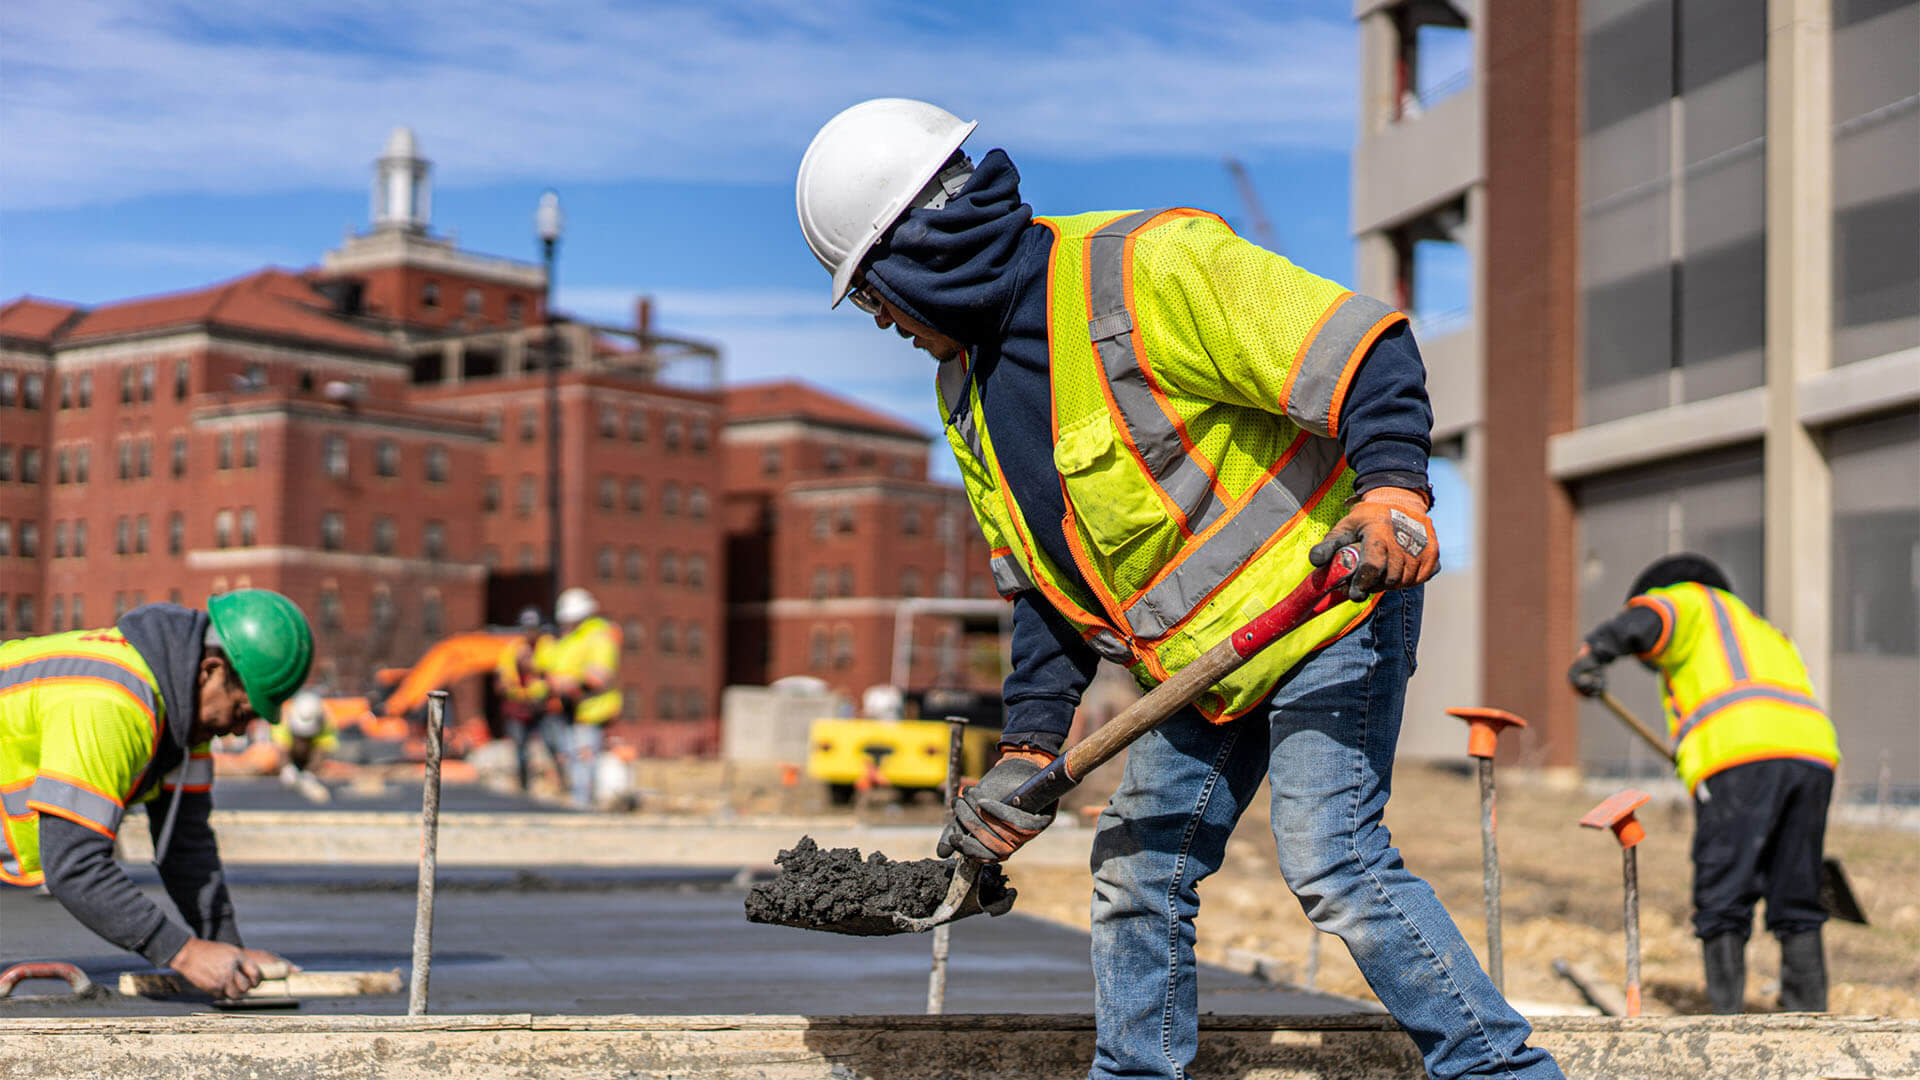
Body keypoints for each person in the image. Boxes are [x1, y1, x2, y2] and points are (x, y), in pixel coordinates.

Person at [797, 99, 1561, 1080]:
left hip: (1327, 604)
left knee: (1332, 858)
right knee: (1137, 867)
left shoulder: (1141, 270)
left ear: (920, 257)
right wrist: (1029, 753)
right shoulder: (966, 396)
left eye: (873, 296)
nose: (882, 324)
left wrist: (1394, 494)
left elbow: (1364, 348)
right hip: (1202, 666)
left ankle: (1503, 1071)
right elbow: (1046, 592)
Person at [0, 590, 314, 999]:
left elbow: (187, 846)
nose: (238, 731)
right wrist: (184, 953)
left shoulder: (189, 722)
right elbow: (74, 864)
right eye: (242, 712)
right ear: (210, 670)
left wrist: (229, 952)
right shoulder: (112, 702)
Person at [1569, 553, 1840, 1013]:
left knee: (1724, 889)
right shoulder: (1762, 629)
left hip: (1742, 753)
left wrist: (1592, 654)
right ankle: (1808, 1020)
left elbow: (1648, 619)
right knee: (1796, 888)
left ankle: (1725, 1026)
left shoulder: (1691, 601)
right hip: (1813, 753)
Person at [544, 588, 621, 807]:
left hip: (590, 709)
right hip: (569, 709)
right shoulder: (570, 639)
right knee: (571, 757)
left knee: (585, 758)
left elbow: (600, 677)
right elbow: (552, 665)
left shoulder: (598, 636)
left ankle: (585, 806)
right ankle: (579, 801)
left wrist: (570, 685)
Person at [495, 606, 559, 793]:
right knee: (521, 750)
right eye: (526, 628)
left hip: (542, 707)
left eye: (533, 628)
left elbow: (552, 672)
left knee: (551, 745)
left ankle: (560, 783)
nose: (529, 633)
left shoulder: (548, 647)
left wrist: (531, 666)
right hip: (518, 708)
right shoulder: (513, 649)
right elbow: (502, 677)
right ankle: (524, 787)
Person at [273, 688, 336, 803]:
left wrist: (310, 772)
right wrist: (287, 769)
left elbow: (323, 748)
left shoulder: (325, 721)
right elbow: (281, 748)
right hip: (289, 761)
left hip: (311, 762)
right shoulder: (284, 718)